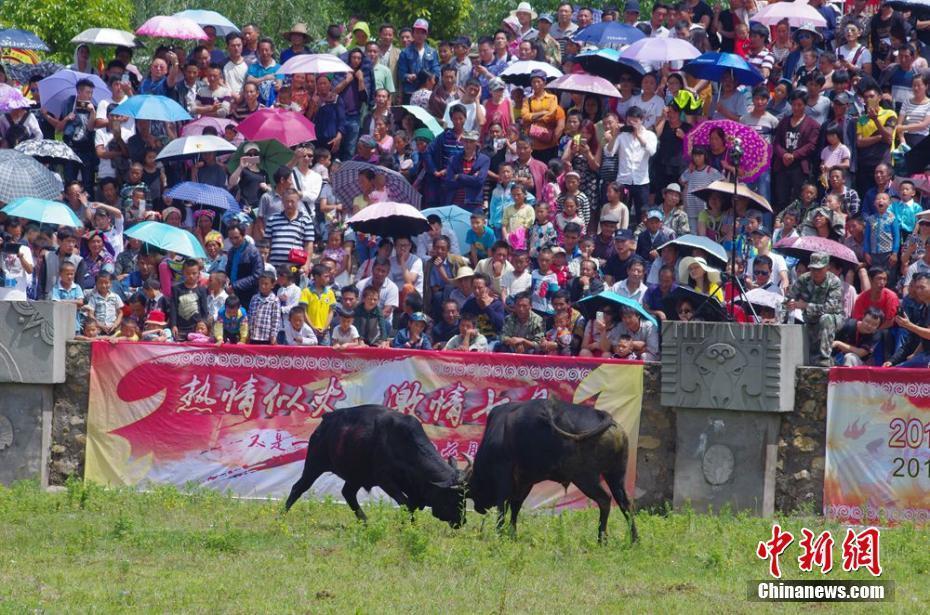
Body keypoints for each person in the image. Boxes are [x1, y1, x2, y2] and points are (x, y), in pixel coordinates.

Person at [786, 252, 845, 367]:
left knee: (825, 318)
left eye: (820, 269)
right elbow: (788, 299)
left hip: (833, 319)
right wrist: (784, 309)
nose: (816, 273)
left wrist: (805, 306)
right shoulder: (804, 279)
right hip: (810, 319)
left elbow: (829, 308)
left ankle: (824, 358)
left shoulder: (834, 282)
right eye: (813, 269)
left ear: (827, 268)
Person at [884, 273, 930, 367]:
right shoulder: (924, 308)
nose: (919, 291)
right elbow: (924, 340)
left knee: (899, 371)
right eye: (917, 288)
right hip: (925, 354)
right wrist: (893, 361)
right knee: (895, 368)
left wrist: (908, 325)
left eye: (922, 287)